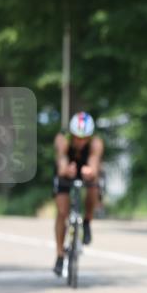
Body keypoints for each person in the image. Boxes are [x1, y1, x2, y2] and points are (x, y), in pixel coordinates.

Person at [53, 112, 104, 276]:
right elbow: (61, 164)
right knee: (62, 212)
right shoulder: (62, 140)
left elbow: (94, 165)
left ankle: (87, 221)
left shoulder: (96, 143)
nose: (80, 141)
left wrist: (90, 172)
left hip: (84, 169)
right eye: (77, 137)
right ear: (72, 134)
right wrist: (66, 170)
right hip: (66, 171)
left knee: (94, 187)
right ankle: (60, 255)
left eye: (84, 138)